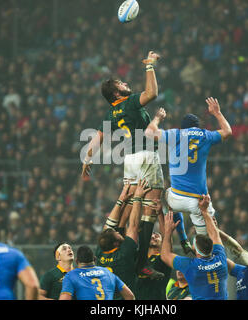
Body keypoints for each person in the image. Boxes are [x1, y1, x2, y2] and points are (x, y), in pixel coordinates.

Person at [81, 51, 164, 266]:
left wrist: (87, 159)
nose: (126, 83)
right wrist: (149, 65)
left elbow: (97, 138)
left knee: (129, 205)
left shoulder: (110, 114)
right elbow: (152, 92)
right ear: (116, 93)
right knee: (150, 207)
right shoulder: (130, 102)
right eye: (121, 83)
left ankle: (120, 250)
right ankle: (143, 262)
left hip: (130, 161)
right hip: (146, 156)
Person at [145, 97, 232, 251]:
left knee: (167, 195)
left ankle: (183, 239)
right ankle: (216, 254)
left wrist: (158, 118)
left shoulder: (175, 134)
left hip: (177, 198)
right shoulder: (205, 135)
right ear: (197, 127)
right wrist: (217, 113)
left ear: (182, 127)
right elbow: (227, 132)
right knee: (205, 245)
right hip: (200, 203)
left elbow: (149, 132)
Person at [96, 179, 163, 300]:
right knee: (125, 224)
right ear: (116, 243)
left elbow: (109, 226)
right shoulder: (119, 254)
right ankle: (142, 264)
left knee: (121, 222)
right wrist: (137, 198)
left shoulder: (105, 250)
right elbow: (133, 225)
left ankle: (142, 265)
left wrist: (122, 199)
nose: (116, 231)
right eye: (116, 234)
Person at [160, 195, 228, 300]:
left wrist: (168, 231)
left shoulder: (191, 266)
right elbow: (215, 235)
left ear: (196, 251)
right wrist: (205, 212)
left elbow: (165, 255)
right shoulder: (221, 258)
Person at [59, 245, 134, 300]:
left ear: (77, 261)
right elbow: (130, 296)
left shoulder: (71, 275)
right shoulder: (107, 272)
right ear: (94, 259)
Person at [133, 208, 172, 300]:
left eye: (157, 236)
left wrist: (159, 213)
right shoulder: (138, 257)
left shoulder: (163, 258)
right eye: (152, 234)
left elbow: (167, 236)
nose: (154, 236)